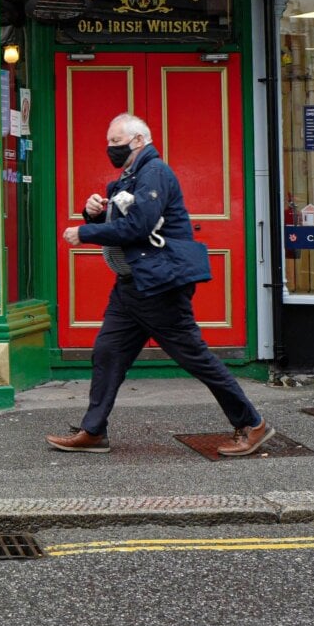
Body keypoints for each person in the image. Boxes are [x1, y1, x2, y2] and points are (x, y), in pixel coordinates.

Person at [49, 113, 272, 456]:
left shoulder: (155, 171)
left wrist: (85, 232)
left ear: (139, 140)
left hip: (159, 286)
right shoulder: (130, 176)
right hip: (131, 287)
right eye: (108, 141)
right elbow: (124, 220)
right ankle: (93, 431)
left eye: (116, 141)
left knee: (195, 358)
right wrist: (93, 213)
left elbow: (138, 227)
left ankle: (252, 424)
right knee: (108, 353)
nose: (111, 147)